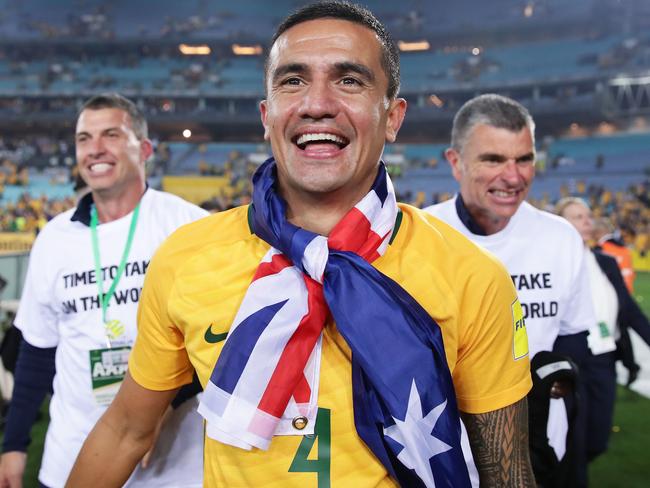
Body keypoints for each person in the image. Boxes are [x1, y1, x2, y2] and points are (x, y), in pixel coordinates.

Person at [67, 3, 534, 487]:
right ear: (267, 116)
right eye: (293, 81)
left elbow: (508, 473)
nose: (316, 103)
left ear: (392, 117)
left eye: (349, 80)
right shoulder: (186, 258)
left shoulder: (473, 277)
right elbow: (125, 431)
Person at [0, 93, 207, 488]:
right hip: (72, 461)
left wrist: (168, 401)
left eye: (111, 134)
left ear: (144, 148)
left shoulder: (189, 228)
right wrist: (14, 445)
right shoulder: (54, 238)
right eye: (83, 138)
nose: (94, 149)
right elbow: (37, 352)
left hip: (172, 467)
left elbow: (219, 345)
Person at [424, 94, 596, 487]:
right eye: (493, 159)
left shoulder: (561, 238)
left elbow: (574, 341)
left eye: (524, 159)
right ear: (455, 163)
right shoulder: (418, 239)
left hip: (544, 452)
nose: (514, 176)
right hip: (442, 456)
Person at [556, 197, 650, 460]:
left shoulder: (606, 262)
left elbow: (629, 310)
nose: (587, 221)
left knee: (597, 440)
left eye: (588, 215)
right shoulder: (552, 265)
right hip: (569, 362)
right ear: (558, 224)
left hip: (604, 360)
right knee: (571, 440)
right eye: (577, 216)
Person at [593, 216, 636, 293]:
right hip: (626, 293)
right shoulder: (624, 248)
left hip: (609, 295)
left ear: (598, 231)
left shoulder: (600, 249)